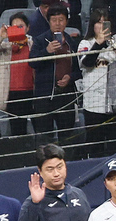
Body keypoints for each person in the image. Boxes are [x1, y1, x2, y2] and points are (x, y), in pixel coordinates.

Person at [77, 11, 116, 158]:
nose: (102, 26)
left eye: (106, 22)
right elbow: (85, 63)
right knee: (94, 147)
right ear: (93, 25)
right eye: (99, 22)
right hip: (93, 106)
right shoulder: (85, 43)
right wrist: (98, 44)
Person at [29, 6, 81, 142]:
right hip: (44, 97)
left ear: (66, 21)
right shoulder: (40, 40)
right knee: (45, 137)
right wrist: (47, 51)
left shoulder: (72, 43)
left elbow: (79, 70)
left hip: (66, 96)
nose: (58, 24)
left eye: (61, 20)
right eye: (54, 20)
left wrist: (70, 78)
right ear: (49, 21)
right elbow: (32, 62)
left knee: (67, 136)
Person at [0, 13, 38, 139]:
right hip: (13, 95)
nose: (18, 29)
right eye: (14, 27)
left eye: (21, 26)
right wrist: (0, 36)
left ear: (28, 28)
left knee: (39, 130)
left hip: (34, 94)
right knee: (18, 132)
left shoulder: (34, 45)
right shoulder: (5, 48)